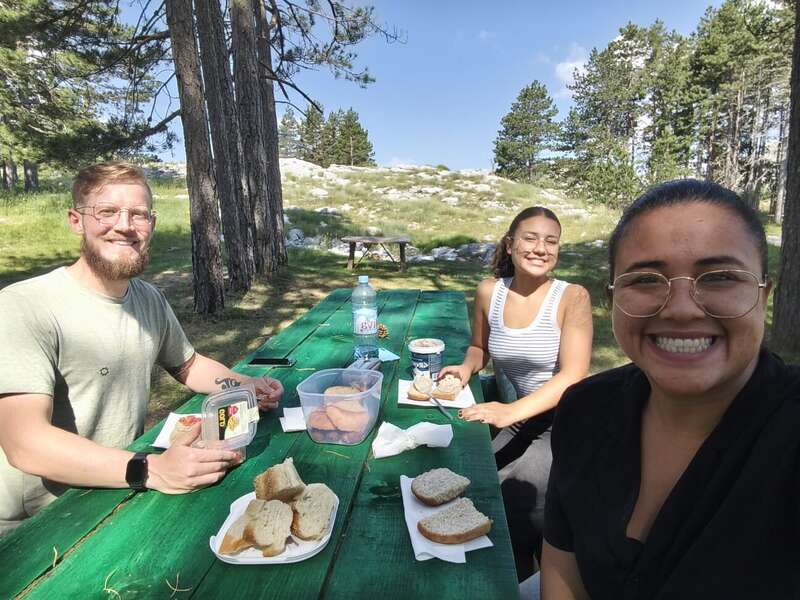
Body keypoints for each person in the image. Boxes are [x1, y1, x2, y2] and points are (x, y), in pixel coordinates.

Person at [541, 179, 800, 599]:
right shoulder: (585, 409)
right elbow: (563, 577)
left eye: (719, 277)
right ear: (613, 298)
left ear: (764, 294)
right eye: (646, 280)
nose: (681, 309)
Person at [0, 162, 284, 535]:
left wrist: (244, 385)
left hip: (119, 490)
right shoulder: (23, 306)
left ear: (151, 223)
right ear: (76, 221)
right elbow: (25, 443)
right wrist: (151, 469)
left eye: (138, 214)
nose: (124, 225)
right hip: (38, 525)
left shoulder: (148, 298)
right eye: (106, 211)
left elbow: (189, 365)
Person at [438, 206, 593, 579]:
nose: (541, 248)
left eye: (551, 241)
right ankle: (515, 573)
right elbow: (479, 347)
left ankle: (534, 577)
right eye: (531, 238)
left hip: (565, 425)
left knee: (516, 501)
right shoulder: (489, 291)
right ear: (510, 244)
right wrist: (466, 368)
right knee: (471, 477)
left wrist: (509, 412)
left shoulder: (572, 297)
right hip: (520, 419)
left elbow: (574, 375)